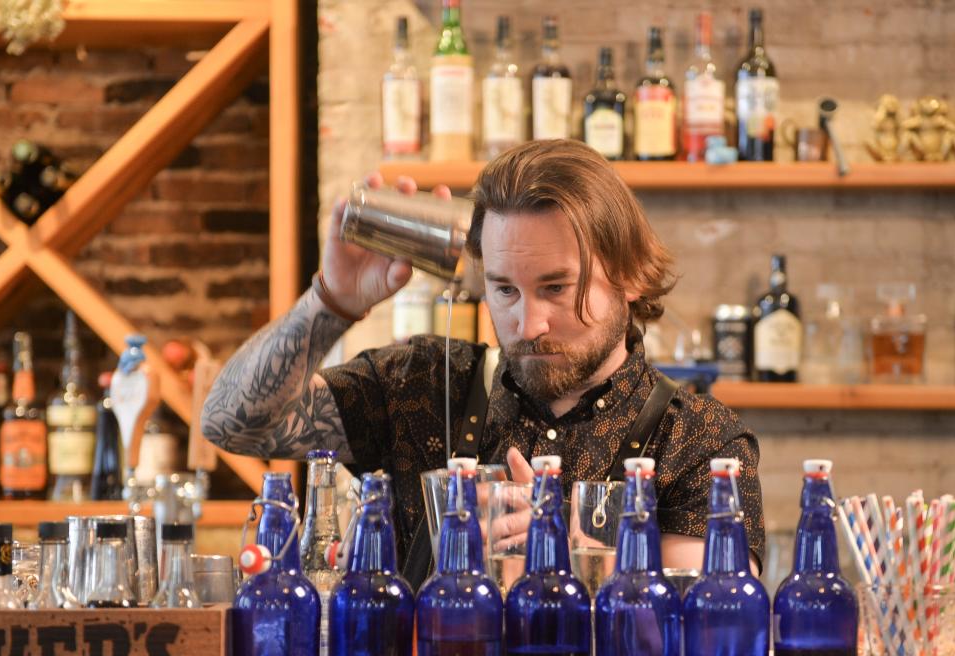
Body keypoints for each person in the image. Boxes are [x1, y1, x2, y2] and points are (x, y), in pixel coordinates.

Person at [202, 139, 764, 587]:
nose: (529, 323)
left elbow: (713, 625)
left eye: (556, 287)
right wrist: (331, 304)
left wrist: (584, 559)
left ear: (633, 274)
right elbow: (233, 424)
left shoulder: (699, 441)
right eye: (505, 290)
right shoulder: (422, 384)